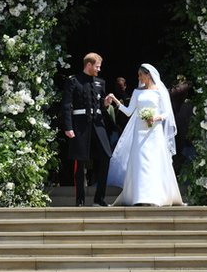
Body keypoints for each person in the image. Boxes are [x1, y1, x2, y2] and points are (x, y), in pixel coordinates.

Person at [106, 64, 183, 206]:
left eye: (141, 74)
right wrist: (116, 101)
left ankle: (156, 196)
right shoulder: (137, 92)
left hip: (155, 130)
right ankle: (140, 196)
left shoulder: (160, 91)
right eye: (138, 75)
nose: (139, 77)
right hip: (139, 131)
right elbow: (129, 111)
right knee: (140, 162)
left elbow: (167, 112)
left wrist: (156, 118)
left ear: (148, 75)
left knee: (155, 161)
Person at [62, 53, 112, 207]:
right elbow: (66, 105)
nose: (99, 69)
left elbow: (101, 106)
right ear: (88, 65)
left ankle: (99, 198)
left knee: (106, 156)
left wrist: (106, 103)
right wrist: (68, 127)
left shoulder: (100, 82)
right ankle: (80, 201)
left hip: (97, 125)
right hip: (80, 125)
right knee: (81, 162)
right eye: (97, 66)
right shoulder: (74, 81)